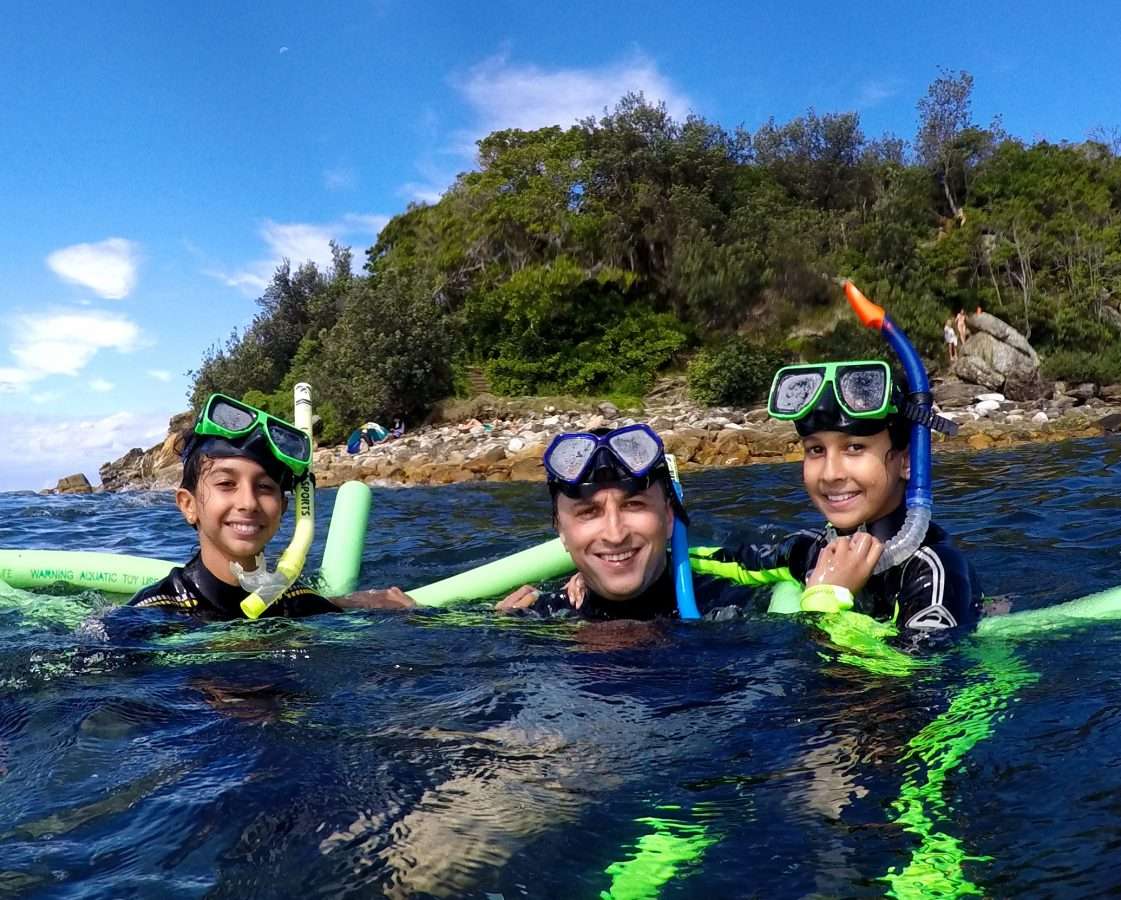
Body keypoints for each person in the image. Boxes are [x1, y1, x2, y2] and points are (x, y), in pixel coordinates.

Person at [691, 360, 982, 634]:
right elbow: (732, 562)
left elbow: (928, 677)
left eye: (854, 447)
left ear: (906, 461)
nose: (830, 474)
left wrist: (826, 600)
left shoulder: (932, 570)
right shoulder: (812, 551)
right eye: (816, 450)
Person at [128, 394, 384, 621]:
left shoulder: (299, 604)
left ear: (283, 508)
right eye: (227, 483)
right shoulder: (153, 613)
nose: (248, 503)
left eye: (264, 488)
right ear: (188, 504)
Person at [497, 424, 765, 620]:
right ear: (562, 532)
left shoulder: (732, 603)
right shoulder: (539, 618)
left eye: (634, 505)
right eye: (588, 512)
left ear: (669, 516)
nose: (615, 535)